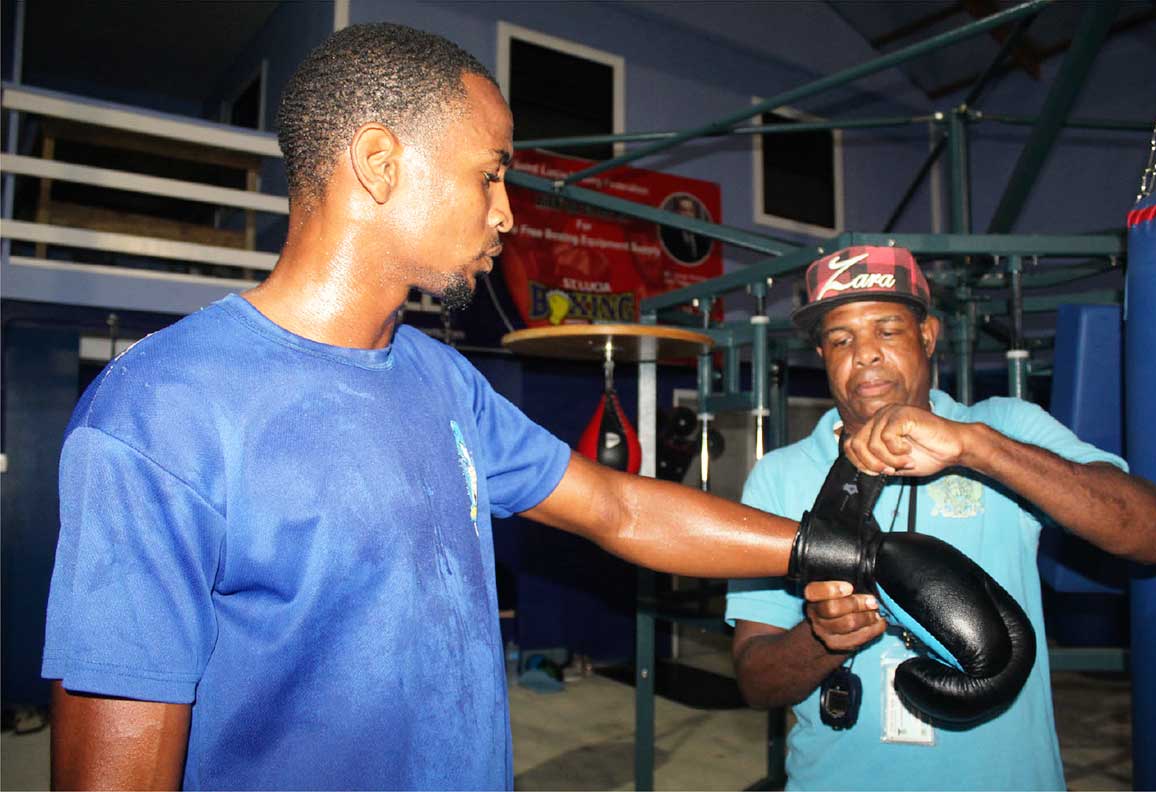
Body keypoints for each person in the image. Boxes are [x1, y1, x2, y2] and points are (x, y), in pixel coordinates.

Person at [41, 24, 805, 791]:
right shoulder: (159, 412)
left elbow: (617, 508)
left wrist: (838, 550)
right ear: (379, 164)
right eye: (489, 175)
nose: (507, 213)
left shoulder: (443, 378)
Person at [725, 245, 1156, 790]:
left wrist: (974, 448)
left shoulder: (1003, 427)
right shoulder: (780, 475)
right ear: (823, 354)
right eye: (841, 338)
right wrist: (822, 638)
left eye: (887, 329)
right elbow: (756, 680)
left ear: (928, 336)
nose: (865, 354)